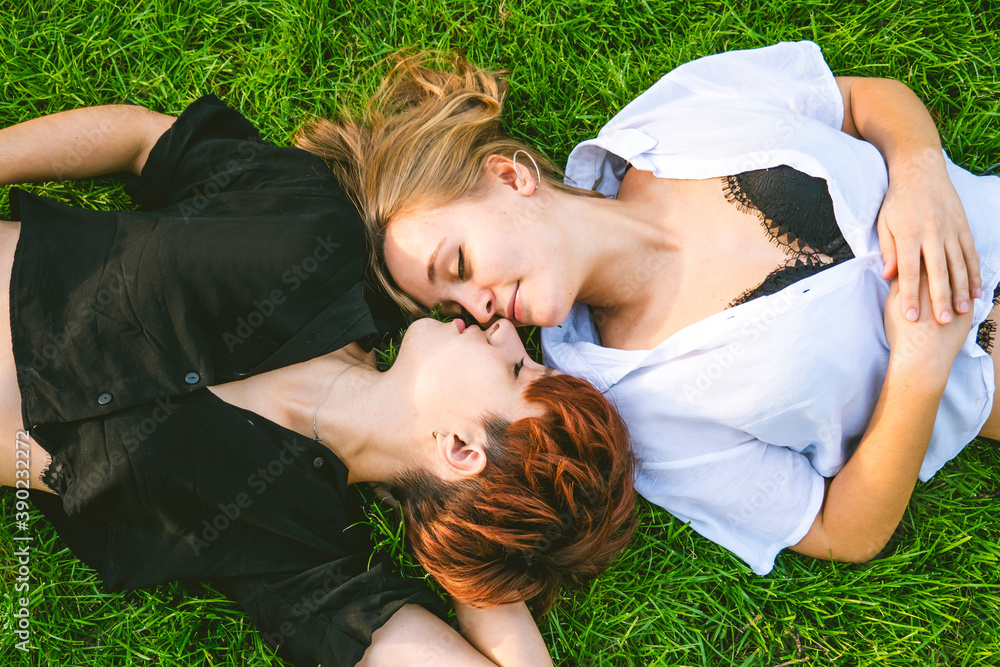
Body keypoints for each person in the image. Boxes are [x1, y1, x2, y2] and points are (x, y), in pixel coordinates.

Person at [303, 41, 1000, 576]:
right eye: (453, 305)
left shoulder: (670, 121)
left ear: (509, 176)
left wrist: (918, 173)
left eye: (458, 265)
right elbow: (840, 530)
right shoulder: (639, 410)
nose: (480, 307)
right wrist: (919, 370)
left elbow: (858, 102)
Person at [0, 95, 637, 666]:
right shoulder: (319, 237)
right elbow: (143, 139)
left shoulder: (299, 546)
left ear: (462, 450)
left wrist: (475, 548)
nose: (502, 330)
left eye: (519, 370)